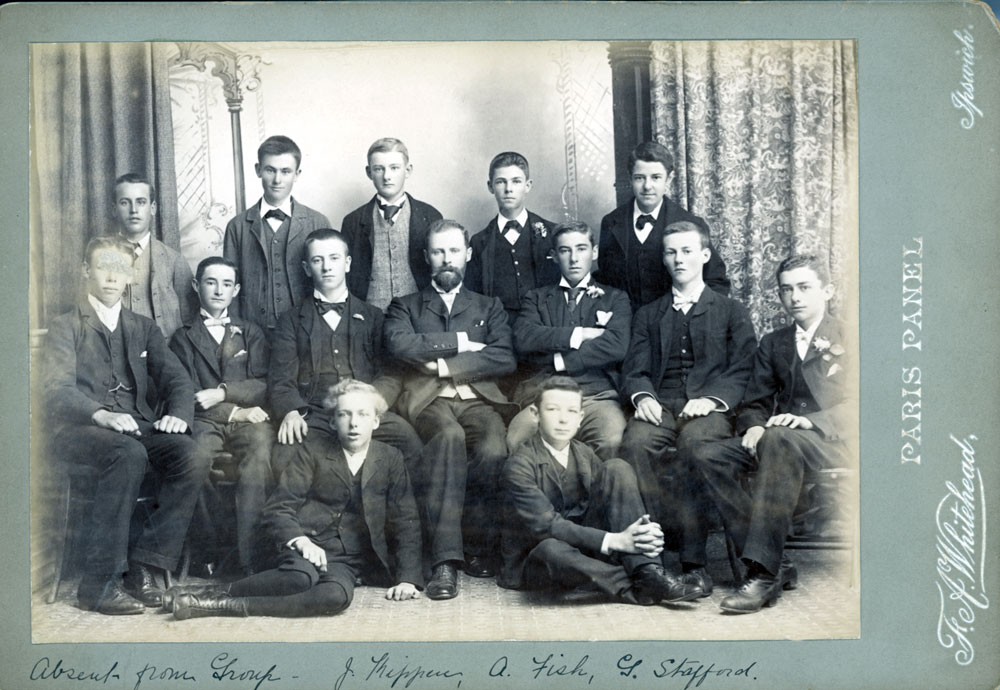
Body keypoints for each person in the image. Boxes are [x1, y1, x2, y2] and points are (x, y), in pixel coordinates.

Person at [44, 237, 211, 614]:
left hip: (135, 426)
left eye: (120, 269)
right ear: (87, 270)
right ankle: (98, 585)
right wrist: (100, 414)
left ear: (131, 276)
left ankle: (144, 565)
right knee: (128, 453)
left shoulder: (143, 327)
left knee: (191, 453)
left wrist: (178, 415)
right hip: (79, 431)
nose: (111, 277)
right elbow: (55, 390)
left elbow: (179, 382)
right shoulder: (66, 326)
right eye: (103, 266)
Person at [168, 380, 423, 619]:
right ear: (333, 422)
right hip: (307, 542)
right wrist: (301, 541)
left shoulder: (390, 458)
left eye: (363, 415)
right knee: (300, 578)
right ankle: (216, 595)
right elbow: (280, 507)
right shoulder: (313, 451)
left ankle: (228, 606)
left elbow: (405, 520)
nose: (354, 423)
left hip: (347, 558)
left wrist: (407, 579)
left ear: (376, 422)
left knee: (337, 597)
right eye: (344, 414)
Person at [691, 254, 853, 613]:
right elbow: (755, 401)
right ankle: (774, 562)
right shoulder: (774, 342)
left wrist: (813, 422)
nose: (794, 297)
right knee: (707, 454)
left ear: (827, 290)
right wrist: (753, 426)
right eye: (786, 289)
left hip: (837, 442)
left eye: (804, 288)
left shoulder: (853, 335)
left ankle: (762, 573)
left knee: (779, 439)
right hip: (784, 440)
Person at [619, 221, 756, 595]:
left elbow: (744, 368)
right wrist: (643, 397)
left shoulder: (731, 311)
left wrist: (713, 400)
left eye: (687, 251)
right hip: (661, 405)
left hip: (710, 410)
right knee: (634, 445)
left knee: (696, 448)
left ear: (705, 255)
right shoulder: (649, 313)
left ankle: (695, 565)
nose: (678, 259)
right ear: (663, 259)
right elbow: (635, 368)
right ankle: (653, 558)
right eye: (671, 252)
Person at [384, 219, 517, 599]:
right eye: (439, 252)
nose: (447, 260)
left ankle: (474, 547)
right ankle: (445, 562)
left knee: (493, 449)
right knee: (449, 437)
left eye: (454, 251)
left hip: (478, 400)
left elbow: (504, 356)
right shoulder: (404, 306)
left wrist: (442, 363)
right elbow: (400, 346)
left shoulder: (488, 306)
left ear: (468, 255)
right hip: (430, 401)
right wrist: (464, 343)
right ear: (427, 257)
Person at [499, 377, 700, 605]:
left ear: (580, 418)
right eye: (553, 410)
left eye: (572, 411)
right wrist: (616, 540)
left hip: (584, 549)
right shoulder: (519, 464)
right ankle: (636, 586)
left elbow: (602, 504)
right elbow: (547, 527)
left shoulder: (583, 452)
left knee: (617, 468)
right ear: (535, 414)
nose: (563, 419)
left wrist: (639, 534)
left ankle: (648, 570)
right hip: (536, 558)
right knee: (552, 550)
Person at [267, 229, 422, 479]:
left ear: (347, 263)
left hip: (364, 410)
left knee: (410, 444)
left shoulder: (373, 316)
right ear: (307, 268)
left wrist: (371, 405)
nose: (327, 267)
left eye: (334, 258)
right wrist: (291, 411)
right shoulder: (291, 320)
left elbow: (390, 373)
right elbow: (281, 378)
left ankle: (398, 516)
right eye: (318, 260)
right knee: (284, 456)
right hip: (314, 413)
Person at [169, 256, 274, 575]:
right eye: (211, 282)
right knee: (194, 460)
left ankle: (250, 558)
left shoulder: (251, 332)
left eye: (226, 284)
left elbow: (263, 382)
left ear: (236, 290)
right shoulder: (182, 337)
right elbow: (188, 393)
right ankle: (210, 551)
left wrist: (225, 393)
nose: (218, 290)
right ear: (196, 286)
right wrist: (233, 411)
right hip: (205, 421)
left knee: (259, 455)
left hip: (251, 418)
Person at [508, 221, 631, 459]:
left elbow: (616, 345)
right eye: (565, 250)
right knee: (517, 438)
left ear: (594, 253)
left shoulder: (615, 298)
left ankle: (593, 495)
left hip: (597, 395)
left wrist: (559, 361)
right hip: (546, 394)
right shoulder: (536, 298)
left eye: (581, 248)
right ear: (554, 255)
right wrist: (580, 334)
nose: (574, 258)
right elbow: (524, 339)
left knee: (610, 439)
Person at [593, 141, 730, 309]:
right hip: (626, 325)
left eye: (656, 177)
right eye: (639, 178)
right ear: (630, 179)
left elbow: (716, 281)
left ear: (669, 179)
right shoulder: (611, 222)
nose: (647, 186)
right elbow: (605, 281)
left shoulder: (691, 224)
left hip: (673, 326)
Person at [223, 135, 331, 331]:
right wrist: (237, 330)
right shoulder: (237, 227)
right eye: (270, 170)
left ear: (297, 174)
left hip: (307, 330)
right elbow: (230, 285)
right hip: (253, 331)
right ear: (258, 170)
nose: (277, 180)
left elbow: (329, 282)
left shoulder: (318, 222)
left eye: (286, 171)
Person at [340, 137, 443, 310]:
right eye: (379, 169)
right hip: (370, 315)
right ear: (369, 172)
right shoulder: (353, 221)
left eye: (394, 168)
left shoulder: (430, 216)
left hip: (419, 314)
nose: (387, 176)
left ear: (408, 170)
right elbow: (347, 277)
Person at [465, 151, 560, 322]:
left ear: (528, 185)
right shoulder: (479, 242)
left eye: (516, 181)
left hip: (547, 325)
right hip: (500, 328)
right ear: (490, 186)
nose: (508, 189)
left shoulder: (553, 233)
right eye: (501, 182)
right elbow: (475, 297)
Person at [111, 172, 198, 339]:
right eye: (125, 202)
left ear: (153, 208)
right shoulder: (99, 258)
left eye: (141, 202)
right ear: (114, 209)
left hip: (163, 357)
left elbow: (189, 320)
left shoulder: (174, 261)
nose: (134, 210)